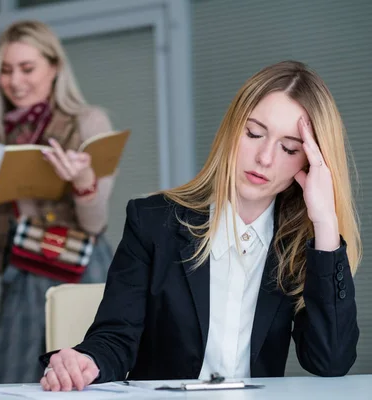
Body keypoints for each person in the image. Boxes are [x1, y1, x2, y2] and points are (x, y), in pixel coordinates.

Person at [38, 60, 361, 391]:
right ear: (232, 130)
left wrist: (324, 223)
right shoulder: (152, 221)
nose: (265, 158)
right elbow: (117, 336)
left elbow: (330, 361)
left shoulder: (299, 245)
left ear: (309, 161)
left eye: (289, 148)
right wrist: (87, 362)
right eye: (253, 133)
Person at [0, 20, 117, 383]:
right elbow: (5, 234)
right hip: (21, 275)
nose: (14, 81)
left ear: (55, 67)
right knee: (11, 384)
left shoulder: (87, 123)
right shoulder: (5, 132)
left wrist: (83, 183)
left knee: (79, 381)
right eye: (5, 70)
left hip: (76, 273)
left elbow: (95, 223)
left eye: (27, 68)